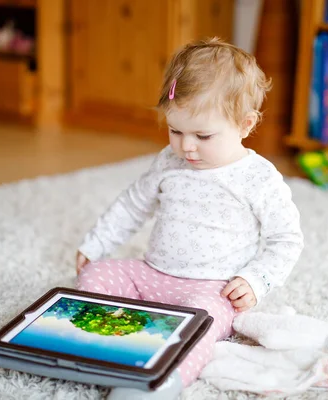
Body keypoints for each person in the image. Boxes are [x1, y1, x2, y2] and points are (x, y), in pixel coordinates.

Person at [75, 37, 304, 400]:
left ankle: (161, 379)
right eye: (175, 130)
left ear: (245, 125)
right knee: (95, 275)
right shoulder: (170, 159)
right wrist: (97, 243)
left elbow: (286, 239)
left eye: (203, 135)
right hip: (151, 275)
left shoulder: (258, 178)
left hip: (210, 288)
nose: (186, 146)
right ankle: (97, 348)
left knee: (205, 323)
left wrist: (256, 280)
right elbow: (134, 204)